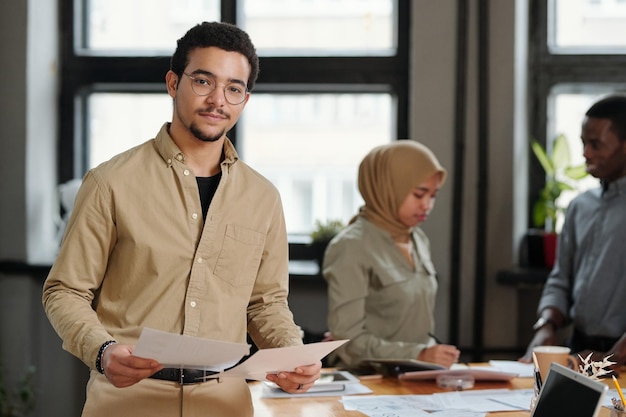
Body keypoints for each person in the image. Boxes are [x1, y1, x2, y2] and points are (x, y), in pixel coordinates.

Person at [42, 21, 321, 417]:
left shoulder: (263, 198)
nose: (217, 100)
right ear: (173, 83)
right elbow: (65, 290)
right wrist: (101, 351)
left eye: (234, 88)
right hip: (127, 402)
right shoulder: (111, 182)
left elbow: (266, 304)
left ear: (245, 98)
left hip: (225, 403)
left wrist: (292, 354)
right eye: (203, 81)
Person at [322, 141, 461, 370]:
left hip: (418, 376)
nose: (427, 205)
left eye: (433, 195)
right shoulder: (351, 246)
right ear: (387, 188)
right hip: (369, 383)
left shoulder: (418, 238)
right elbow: (348, 343)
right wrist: (420, 354)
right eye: (419, 194)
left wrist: (429, 357)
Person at [521, 94, 626, 366]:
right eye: (583, 143)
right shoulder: (580, 206)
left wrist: (612, 360)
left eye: (596, 144)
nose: (585, 153)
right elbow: (560, 278)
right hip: (578, 349)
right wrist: (546, 325)